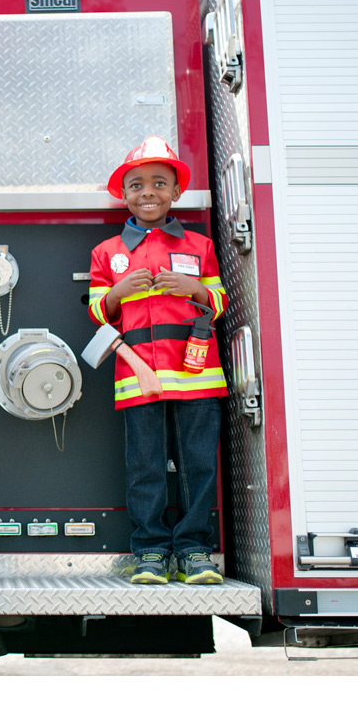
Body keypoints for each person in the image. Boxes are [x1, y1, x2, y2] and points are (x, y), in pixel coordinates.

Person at [88, 136, 228, 585]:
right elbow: (97, 312)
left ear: (176, 192)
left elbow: (220, 302)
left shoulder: (200, 245)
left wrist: (196, 291)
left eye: (159, 183)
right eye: (136, 184)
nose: (147, 192)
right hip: (138, 377)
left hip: (197, 375)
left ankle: (194, 552)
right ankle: (149, 551)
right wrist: (117, 292)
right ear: (123, 194)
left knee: (199, 465)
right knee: (145, 467)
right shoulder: (107, 252)